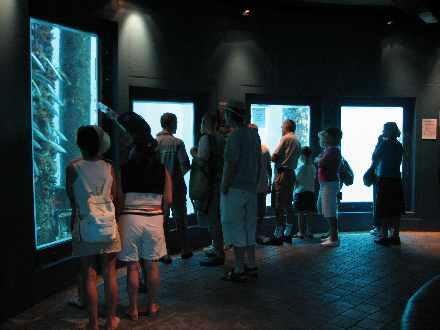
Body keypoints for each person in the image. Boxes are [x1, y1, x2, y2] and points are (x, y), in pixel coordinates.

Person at [116, 112, 173, 320]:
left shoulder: (124, 169)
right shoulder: (161, 169)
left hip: (130, 217)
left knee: (132, 266)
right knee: (152, 265)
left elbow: (119, 197)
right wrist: (161, 214)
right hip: (154, 218)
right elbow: (168, 198)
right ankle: (151, 305)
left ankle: (132, 309)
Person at [65, 125, 121, 330]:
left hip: (84, 225)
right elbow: (114, 196)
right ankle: (111, 320)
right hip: (108, 226)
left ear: (79, 143)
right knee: (110, 273)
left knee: (89, 274)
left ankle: (93, 322)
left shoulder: (72, 167)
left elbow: (71, 198)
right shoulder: (109, 167)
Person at [221, 101, 261, 282]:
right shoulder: (254, 134)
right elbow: (259, 162)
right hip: (251, 187)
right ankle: (251, 265)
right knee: (249, 226)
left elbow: (231, 163)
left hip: (235, 187)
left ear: (230, 116)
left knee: (236, 226)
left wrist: (224, 185)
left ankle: (238, 268)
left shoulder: (234, 136)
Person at [156, 113, 192, 262]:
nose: (177, 126)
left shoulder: (154, 143)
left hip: (159, 189)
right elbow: (185, 165)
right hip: (176, 187)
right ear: (171, 124)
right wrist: (175, 178)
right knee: (180, 220)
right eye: (176, 123)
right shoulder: (177, 143)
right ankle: (184, 249)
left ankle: (164, 252)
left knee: (161, 221)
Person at [191, 112, 226, 267]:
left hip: (210, 184)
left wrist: (194, 153)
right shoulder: (222, 138)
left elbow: (202, 160)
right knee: (218, 218)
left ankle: (219, 253)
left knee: (213, 219)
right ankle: (218, 248)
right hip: (220, 182)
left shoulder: (206, 139)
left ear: (205, 123)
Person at [266, 119, 301, 245]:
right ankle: (288, 232)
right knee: (288, 203)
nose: (281, 129)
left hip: (282, 174)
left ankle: (278, 234)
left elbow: (275, 156)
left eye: (282, 127)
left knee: (278, 204)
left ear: (286, 127)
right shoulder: (297, 141)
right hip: (291, 173)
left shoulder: (285, 138)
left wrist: (266, 157)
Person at [372, 122, 404, 246]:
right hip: (396, 179)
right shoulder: (399, 145)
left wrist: (379, 142)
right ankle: (395, 236)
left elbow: (374, 157)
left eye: (384, 129)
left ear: (389, 131)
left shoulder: (384, 144)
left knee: (384, 208)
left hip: (385, 179)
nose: (382, 132)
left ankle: (384, 236)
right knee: (396, 209)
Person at [316, 128, 342, 248]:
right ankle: (332, 234)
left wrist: (319, 159)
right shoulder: (329, 149)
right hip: (326, 183)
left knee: (329, 211)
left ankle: (334, 238)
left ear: (331, 138)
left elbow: (320, 162)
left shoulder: (333, 150)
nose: (322, 139)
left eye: (325, 137)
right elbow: (319, 160)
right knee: (324, 209)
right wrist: (319, 160)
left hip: (329, 184)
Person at [248, 124, 272, 244]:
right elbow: (269, 168)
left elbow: (268, 168)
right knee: (256, 213)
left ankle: (255, 234)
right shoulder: (264, 149)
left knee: (258, 212)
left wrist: (270, 183)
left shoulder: (263, 148)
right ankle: (255, 234)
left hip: (256, 186)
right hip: (255, 186)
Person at [293, 146, 316, 239]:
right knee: (309, 213)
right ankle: (309, 231)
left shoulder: (301, 167)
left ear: (301, 156)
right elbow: (314, 178)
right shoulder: (313, 167)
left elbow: (296, 180)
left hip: (300, 192)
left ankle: (301, 232)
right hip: (310, 192)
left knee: (301, 213)